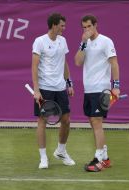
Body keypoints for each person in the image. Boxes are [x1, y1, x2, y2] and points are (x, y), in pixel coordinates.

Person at [74, 14, 120, 172]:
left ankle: (99, 159)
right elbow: (78, 62)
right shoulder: (84, 44)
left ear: (95, 25)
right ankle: (105, 158)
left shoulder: (106, 41)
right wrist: (83, 43)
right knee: (93, 122)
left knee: (97, 122)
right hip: (89, 89)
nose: (87, 30)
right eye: (84, 27)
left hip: (102, 89)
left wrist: (116, 86)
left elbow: (114, 63)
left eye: (89, 26)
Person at [32, 12, 75, 169]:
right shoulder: (40, 42)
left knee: (66, 120)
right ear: (54, 25)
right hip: (45, 88)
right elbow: (34, 66)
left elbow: (64, 63)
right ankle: (43, 157)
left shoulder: (62, 41)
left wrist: (69, 83)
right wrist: (36, 90)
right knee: (42, 121)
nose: (64, 28)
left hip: (60, 87)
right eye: (62, 25)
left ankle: (61, 151)